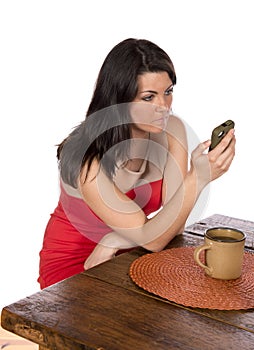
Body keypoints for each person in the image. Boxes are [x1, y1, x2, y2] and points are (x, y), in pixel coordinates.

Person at [38, 38, 236, 289]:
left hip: (130, 251)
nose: (163, 107)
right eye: (148, 97)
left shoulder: (173, 129)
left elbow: (173, 226)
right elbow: (153, 239)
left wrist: (115, 238)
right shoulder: (85, 159)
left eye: (168, 92)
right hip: (76, 265)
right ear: (119, 99)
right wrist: (197, 178)